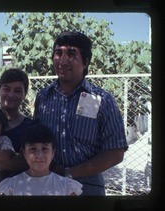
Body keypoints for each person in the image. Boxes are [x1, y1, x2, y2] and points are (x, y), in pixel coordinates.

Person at [33, 31, 128, 196]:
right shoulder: (43, 98)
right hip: (47, 184)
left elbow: (116, 152)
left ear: (86, 61)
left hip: (88, 189)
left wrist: (69, 172)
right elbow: (35, 140)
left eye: (71, 54)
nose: (62, 60)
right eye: (58, 53)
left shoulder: (102, 100)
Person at [0, 123, 83, 196]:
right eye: (33, 149)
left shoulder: (67, 187)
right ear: (24, 153)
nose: (39, 155)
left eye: (45, 149)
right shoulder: (10, 187)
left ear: (53, 153)